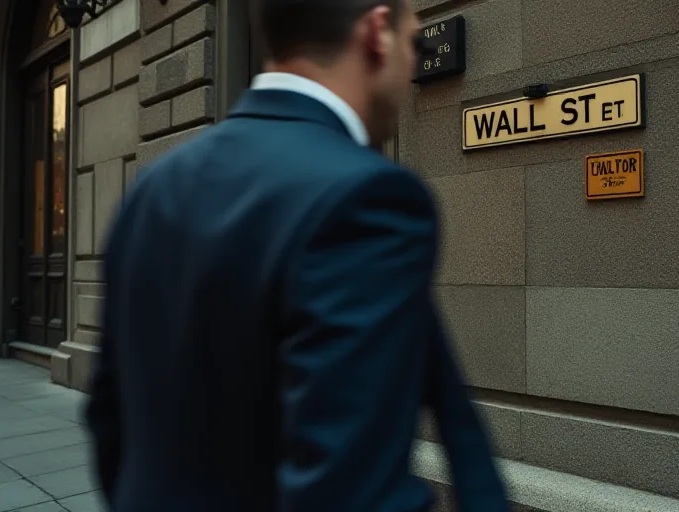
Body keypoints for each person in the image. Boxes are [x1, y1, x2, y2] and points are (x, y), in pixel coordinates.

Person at [83, 0, 510, 510]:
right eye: (413, 43)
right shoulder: (368, 197)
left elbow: (109, 419)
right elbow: (352, 492)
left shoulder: (153, 188)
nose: (411, 68)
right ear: (377, 32)